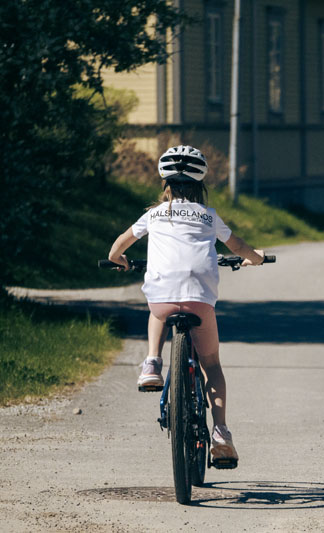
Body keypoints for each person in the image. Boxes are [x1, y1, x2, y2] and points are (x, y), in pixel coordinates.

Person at [108, 145, 265, 462]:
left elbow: (119, 246)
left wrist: (119, 260)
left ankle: (152, 362)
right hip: (199, 299)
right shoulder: (209, 216)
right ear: (200, 185)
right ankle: (220, 432)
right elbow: (238, 245)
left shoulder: (154, 215)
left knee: (156, 307)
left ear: (165, 185)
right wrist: (256, 259)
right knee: (212, 366)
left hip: (164, 298)